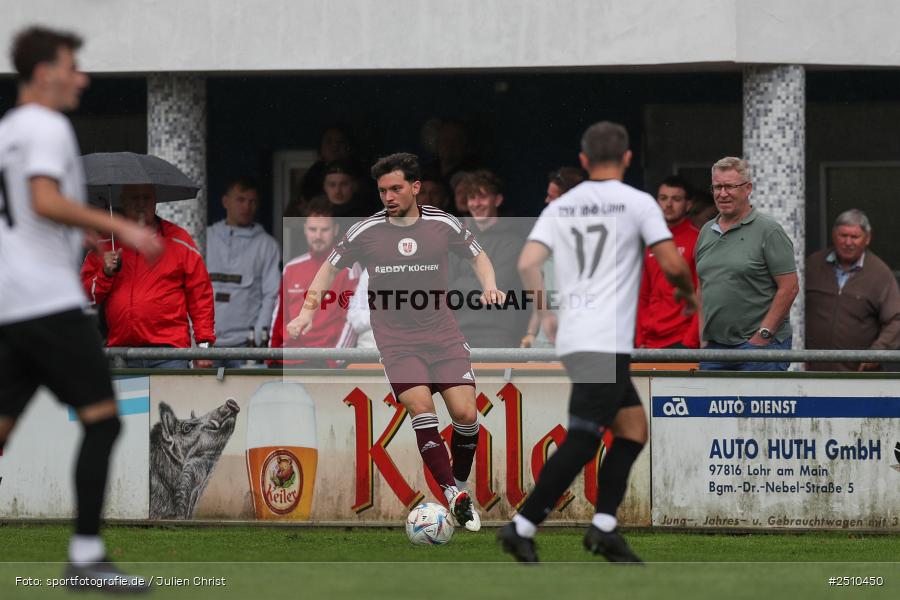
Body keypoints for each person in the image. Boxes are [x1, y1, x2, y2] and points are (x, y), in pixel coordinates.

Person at [0, 26, 163, 592]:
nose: (82, 77)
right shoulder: (45, 125)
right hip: (47, 302)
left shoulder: (8, 129)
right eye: (73, 65)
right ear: (45, 72)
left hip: (11, 303)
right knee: (104, 421)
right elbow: (43, 199)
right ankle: (87, 560)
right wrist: (116, 226)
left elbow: (24, 212)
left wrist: (81, 241)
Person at [498, 121, 697, 563]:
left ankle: (604, 527)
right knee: (585, 439)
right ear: (628, 159)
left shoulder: (562, 206)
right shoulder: (637, 203)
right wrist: (687, 293)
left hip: (576, 335)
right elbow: (671, 263)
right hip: (604, 338)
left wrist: (545, 311)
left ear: (585, 161)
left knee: (632, 431)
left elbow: (529, 262)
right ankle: (522, 525)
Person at [286, 152, 505, 532]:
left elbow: (479, 256)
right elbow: (328, 269)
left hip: (443, 335)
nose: (388, 196)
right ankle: (453, 494)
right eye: (383, 190)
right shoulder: (364, 231)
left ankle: (459, 483)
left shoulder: (442, 223)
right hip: (397, 341)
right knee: (421, 408)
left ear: (415, 188)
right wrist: (307, 312)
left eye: (396, 188)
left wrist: (490, 286)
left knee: (466, 415)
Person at [81, 184, 216, 369]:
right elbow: (85, 297)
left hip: (169, 353)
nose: (141, 204)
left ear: (155, 202)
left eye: (147, 198)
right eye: (134, 198)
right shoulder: (106, 242)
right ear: (122, 202)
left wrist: (204, 345)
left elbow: (200, 295)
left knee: (170, 400)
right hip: (122, 353)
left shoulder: (179, 240)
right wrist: (105, 274)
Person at [695, 157, 799, 371]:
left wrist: (763, 335)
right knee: (713, 405)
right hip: (714, 348)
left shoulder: (769, 230)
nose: (723, 194)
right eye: (718, 187)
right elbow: (702, 287)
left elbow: (789, 287)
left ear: (748, 188)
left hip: (759, 349)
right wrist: (703, 338)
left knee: (757, 405)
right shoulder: (706, 231)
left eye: (730, 186)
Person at [806, 209, 900, 371]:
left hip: (859, 377)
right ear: (834, 236)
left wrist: (877, 353)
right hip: (811, 373)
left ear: (867, 239)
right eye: (843, 235)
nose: (848, 242)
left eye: (854, 237)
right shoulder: (813, 264)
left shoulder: (880, 273)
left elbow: (896, 319)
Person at [269, 197, 358, 367]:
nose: (318, 235)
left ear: (335, 229)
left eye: (324, 229)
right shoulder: (291, 267)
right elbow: (279, 316)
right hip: (289, 360)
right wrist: (273, 358)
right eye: (313, 229)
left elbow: (350, 320)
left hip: (325, 361)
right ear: (304, 229)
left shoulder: (349, 269)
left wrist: (335, 361)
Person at [206, 176, 281, 368]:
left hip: (244, 346)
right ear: (225, 202)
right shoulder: (205, 237)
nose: (247, 206)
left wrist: (257, 338)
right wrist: (194, 338)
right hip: (205, 345)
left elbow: (271, 295)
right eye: (240, 200)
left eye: (252, 201)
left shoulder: (267, 245)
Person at [449, 169, 529, 347]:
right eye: (472, 198)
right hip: (456, 331)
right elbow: (446, 289)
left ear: (498, 200)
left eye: (482, 197)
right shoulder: (456, 241)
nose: (476, 203)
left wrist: (461, 286)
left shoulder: (514, 243)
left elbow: (495, 288)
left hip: (496, 333)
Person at [522, 166, 586, 348]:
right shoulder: (547, 235)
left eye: (552, 197)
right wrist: (530, 333)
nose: (546, 200)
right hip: (545, 339)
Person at [636, 175, 701, 349]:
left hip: (680, 339)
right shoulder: (651, 240)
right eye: (663, 198)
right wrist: (639, 338)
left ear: (688, 204)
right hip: (649, 340)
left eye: (676, 199)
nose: (668, 204)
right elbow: (644, 294)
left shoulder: (698, 239)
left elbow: (704, 294)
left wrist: (690, 341)